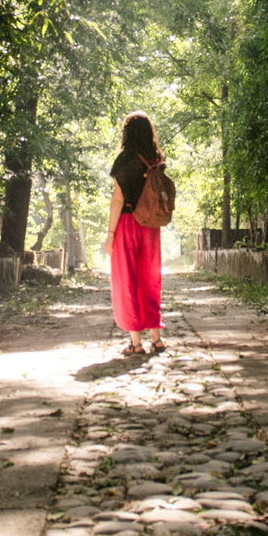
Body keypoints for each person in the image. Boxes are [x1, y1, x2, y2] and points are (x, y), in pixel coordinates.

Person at [105, 111, 166, 357]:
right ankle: (157, 339)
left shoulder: (123, 160)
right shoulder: (156, 158)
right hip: (151, 227)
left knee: (127, 281)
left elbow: (118, 199)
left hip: (128, 224)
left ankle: (136, 343)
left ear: (127, 133)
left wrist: (110, 234)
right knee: (150, 280)